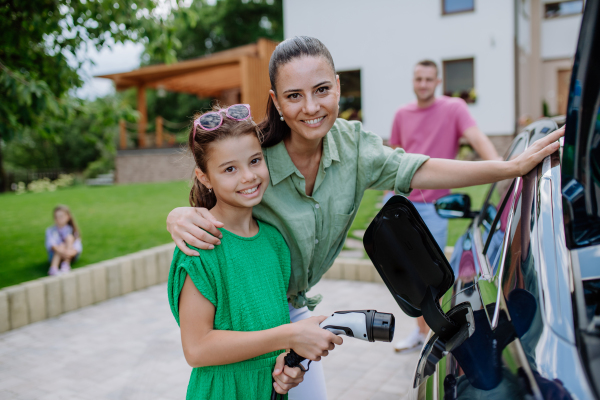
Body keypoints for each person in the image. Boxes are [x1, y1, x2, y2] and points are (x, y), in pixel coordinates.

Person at [165, 37, 563, 400]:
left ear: (338, 86)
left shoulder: (355, 148)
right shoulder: (257, 156)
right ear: (276, 101)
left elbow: (419, 168)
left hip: (291, 313)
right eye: (293, 96)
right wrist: (178, 214)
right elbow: (219, 177)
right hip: (248, 317)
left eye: (322, 90)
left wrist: (508, 168)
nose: (311, 107)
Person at [167, 104, 342, 400]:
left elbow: (270, 337)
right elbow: (197, 349)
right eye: (230, 169)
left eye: (255, 160)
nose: (248, 176)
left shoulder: (274, 241)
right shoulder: (200, 245)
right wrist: (290, 334)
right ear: (205, 176)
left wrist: (289, 366)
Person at [388, 59, 501, 353]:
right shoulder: (402, 114)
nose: (423, 84)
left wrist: (503, 168)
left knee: (431, 278)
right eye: (418, 79)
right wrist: (389, 200)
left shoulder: (454, 109)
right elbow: (394, 159)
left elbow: (477, 138)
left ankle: (431, 336)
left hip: (437, 206)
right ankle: (420, 332)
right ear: (413, 82)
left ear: (438, 82)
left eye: (429, 79)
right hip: (405, 205)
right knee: (410, 277)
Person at [45, 205, 82, 276]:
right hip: (55, 255)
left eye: (61, 216)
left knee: (69, 238)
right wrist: (62, 250)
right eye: (56, 217)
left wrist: (68, 252)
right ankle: (53, 268)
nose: (59, 219)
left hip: (70, 255)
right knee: (61, 246)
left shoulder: (72, 230)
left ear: (68, 216)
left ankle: (65, 264)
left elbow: (77, 247)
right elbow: (51, 245)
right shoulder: (51, 230)